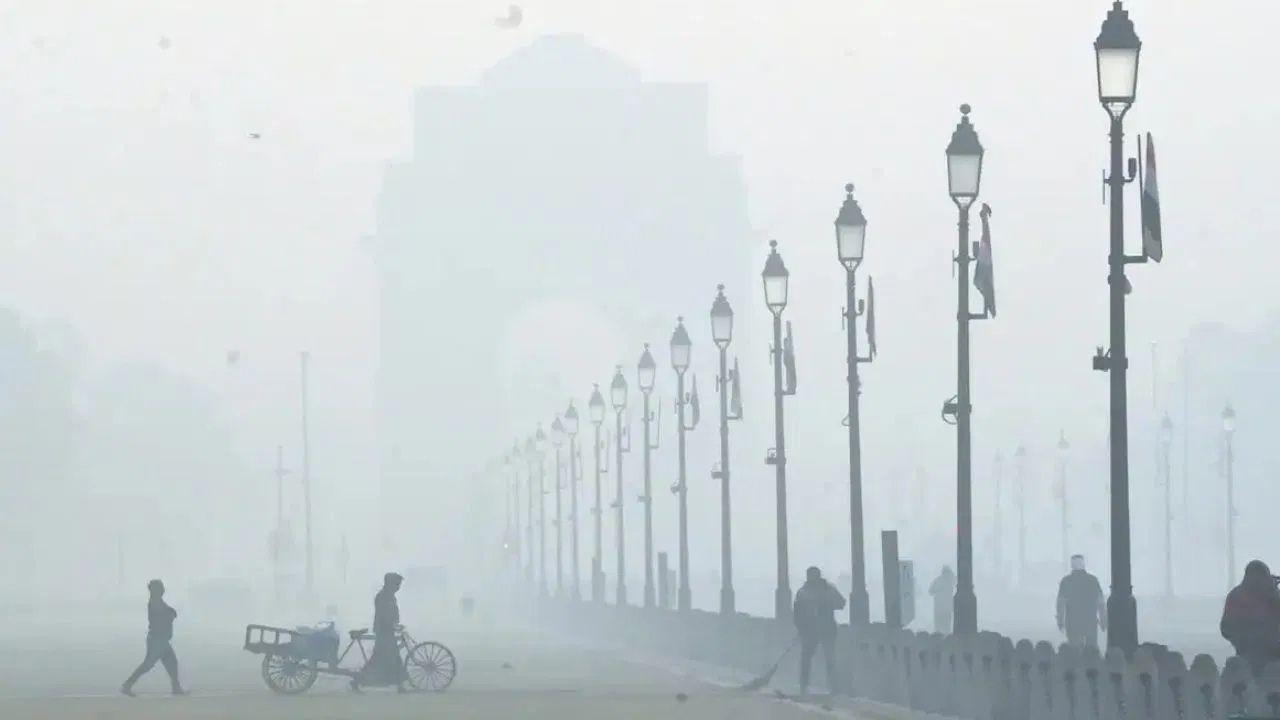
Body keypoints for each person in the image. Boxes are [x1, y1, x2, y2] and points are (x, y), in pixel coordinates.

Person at [121, 579, 187, 696]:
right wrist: (170, 614)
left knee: (171, 662)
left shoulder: (158, 601)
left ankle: (176, 688)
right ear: (156, 590)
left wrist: (170, 612)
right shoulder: (155, 602)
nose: (163, 589)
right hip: (157, 640)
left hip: (161, 640)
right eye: (160, 587)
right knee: (148, 665)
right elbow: (161, 617)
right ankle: (127, 685)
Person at [793, 566, 846, 696]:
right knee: (809, 658)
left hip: (825, 628)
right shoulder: (804, 592)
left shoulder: (826, 589)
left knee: (828, 658)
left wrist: (826, 604)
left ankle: (833, 688)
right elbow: (796, 613)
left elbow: (841, 603)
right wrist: (801, 627)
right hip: (813, 630)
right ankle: (805, 686)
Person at [1221, 559, 1280, 674]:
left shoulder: (1271, 595)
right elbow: (1226, 628)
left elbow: (1226, 629)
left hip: (1271, 654)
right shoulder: (1237, 597)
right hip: (1250, 655)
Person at [353, 572, 407, 692]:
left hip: (388, 631)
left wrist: (395, 624)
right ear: (390, 583)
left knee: (390, 658)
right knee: (382, 658)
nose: (398, 587)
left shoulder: (389, 596)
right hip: (384, 631)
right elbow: (383, 615)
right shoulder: (382, 596)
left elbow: (392, 613)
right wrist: (393, 625)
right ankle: (357, 680)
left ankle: (400, 685)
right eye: (397, 584)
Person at [1056, 555, 1106, 648]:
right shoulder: (1093, 580)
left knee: (1075, 650)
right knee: (1091, 650)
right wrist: (1103, 621)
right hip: (1090, 621)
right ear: (1083, 564)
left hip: (1072, 622)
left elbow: (1061, 603)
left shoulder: (1066, 581)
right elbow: (1100, 602)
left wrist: (1060, 621)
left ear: (1072, 565)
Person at [929, 566, 956, 634]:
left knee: (939, 626)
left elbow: (931, 591)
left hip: (940, 607)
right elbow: (930, 591)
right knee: (946, 626)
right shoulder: (951, 580)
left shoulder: (938, 580)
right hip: (947, 608)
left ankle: (938, 640)